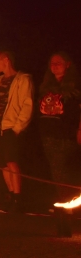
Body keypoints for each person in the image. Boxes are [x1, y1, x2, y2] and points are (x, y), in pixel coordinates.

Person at [0, 50, 34, 211]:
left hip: (10, 127)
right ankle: (11, 194)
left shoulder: (22, 79)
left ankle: (18, 197)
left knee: (11, 161)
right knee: (3, 164)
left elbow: (27, 104)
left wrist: (17, 127)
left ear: (6, 60)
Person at [37, 52, 81, 202]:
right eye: (52, 63)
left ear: (67, 64)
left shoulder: (75, 85)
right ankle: (64, 200)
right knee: (56, 170)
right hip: (49, 134)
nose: (54, 66)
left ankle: (70, 202)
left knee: (66, 169)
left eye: (58, 63)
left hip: (67, 134)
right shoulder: (46, 86)